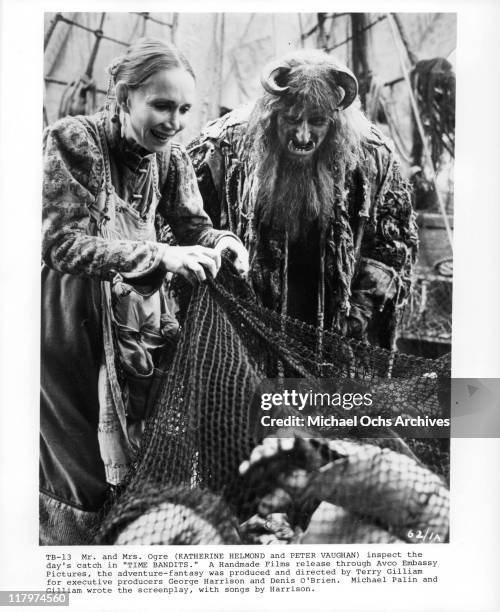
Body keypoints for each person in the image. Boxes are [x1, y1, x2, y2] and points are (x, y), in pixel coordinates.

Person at [40, 38, 248, 545]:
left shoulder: (169, 158)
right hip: (73, 324)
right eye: (160, 105)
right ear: (124, 95)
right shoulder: (74, 141)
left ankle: (121, 550)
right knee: (78, 461)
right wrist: (158, 256)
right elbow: (59, 244)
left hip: (136, 324)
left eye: (182, 109)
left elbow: (193, 224)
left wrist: (222, 241)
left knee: (134, 444)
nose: (173, 121)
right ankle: (65, 560)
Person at [188, 49, 419, 349]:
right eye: (292, 119)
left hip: (334, 335)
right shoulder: (224, 146)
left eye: (317, 121)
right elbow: (185, 224)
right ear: (271, 115)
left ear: (336, 122)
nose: (303, 135)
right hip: (241, 333)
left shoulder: (373, 156)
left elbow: (393, 244)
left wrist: (359, 310)